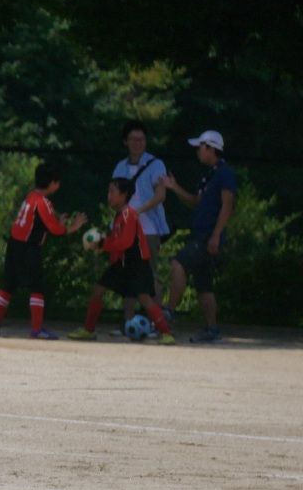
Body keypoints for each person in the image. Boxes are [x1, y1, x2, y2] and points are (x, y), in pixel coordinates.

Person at [67, 177, 176, 344]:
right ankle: (89, 330)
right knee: (97, 290)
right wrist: (104, 246)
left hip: (137, 264)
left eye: (112, 191)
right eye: (108, 191)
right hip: (123, 264)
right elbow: (117, 242)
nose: (109, 195)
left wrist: (103, 244)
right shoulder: (119, 217)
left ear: (124, 195)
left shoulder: (128, 215)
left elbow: (125, 242)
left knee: (145, 299)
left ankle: (166, 333)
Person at [0, 162, 88, 339]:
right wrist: (74, 226)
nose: (59, 184)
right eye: (58, 181)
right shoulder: (44, 202)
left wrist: (58, 222)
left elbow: (41, 225)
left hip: (14, 244)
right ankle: (36, 329)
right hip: (28, 248)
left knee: (8, 284)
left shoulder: (31, 197)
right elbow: (55, 230)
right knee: (37, 286)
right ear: (52, 183)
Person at [158, 130, 236, 344]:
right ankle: (212, 330)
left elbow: (227, 205)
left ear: (211, 148)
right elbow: (196, 201)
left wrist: (216, 236)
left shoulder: (225, 173)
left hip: (207, 236)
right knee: (204, 284)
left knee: (178, 262)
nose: (197, 151)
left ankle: (169, 312)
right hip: (202, 235)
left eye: (200, 147)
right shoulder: (208, 174)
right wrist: (174, 187)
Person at [110, 119, 171, 333]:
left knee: (150, 276)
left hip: (148, 230)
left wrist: (136, 212)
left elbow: (160, 195)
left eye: (141, 139)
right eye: (133, 139)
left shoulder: (156, 164)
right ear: (125, 141)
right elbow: (114, 197)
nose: (138, 143)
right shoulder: (120, 166)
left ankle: (155, 324)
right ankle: (129, 323)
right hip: (126, 230)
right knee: (127, 276)